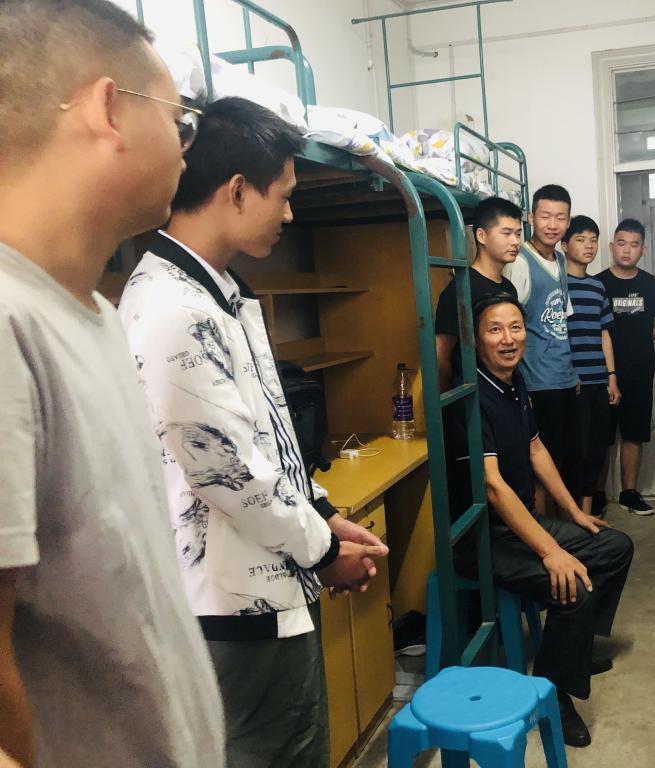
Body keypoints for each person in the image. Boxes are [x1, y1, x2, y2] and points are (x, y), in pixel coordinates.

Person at [119, 97, 388, 767]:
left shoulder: (220, 291)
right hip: (235, 612)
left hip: (267, 584)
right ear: (237, 190)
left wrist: (323, 512)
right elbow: (230, 475)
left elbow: (264, 435)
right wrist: (326, 553)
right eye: (285, 196)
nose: (290, 214)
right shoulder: (173, 310)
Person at [0, 1, 224, 766]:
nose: (187, 148)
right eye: (179, 119)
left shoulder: (91, 313)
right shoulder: (8, 323)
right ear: (108, 110)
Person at [444, 293, 634, 749]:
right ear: (476, 339)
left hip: (519, 525)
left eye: (515, 327)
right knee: (574, 585)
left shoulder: (514, 383)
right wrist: (552, 552)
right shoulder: (470, 397)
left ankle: (575, 649)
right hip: (481, 540)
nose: (508, 339)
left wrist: (574, 512)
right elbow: (493, 487)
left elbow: (535, 449)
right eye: (495, 329)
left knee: (614, 546)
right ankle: (554, 697)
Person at [503, 185, 578, 515]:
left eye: (560, 217)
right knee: (538, 468)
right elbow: (510, 328)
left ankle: (558, 530)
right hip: (536, 382)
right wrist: (518, 385)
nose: (552, 224)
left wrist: (572, 373)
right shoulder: (520, 262)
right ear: (531, 217)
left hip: (562, 378)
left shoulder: (560, 259)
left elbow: (561, 320)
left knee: (559, 461)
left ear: (568, 221)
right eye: (545, 216)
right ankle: (544, 533)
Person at [597, 219, 655, 517]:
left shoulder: (652, 285)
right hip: (601, 373)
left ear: (643, 250)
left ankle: (629, 493)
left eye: (634, 244)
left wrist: (633, 345)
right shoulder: (597, 284)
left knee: (634, 432)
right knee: (601, 435)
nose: (627, 250)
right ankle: (595, 494)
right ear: (612, 246)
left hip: (639, 370)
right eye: (621, 243)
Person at [562, 216, 621, 515]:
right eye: (580, 239)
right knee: (575, 450)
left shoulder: (598, 287)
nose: (589, 246)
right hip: (570, 383)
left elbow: (604, 334)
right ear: (564, 245)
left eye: (593, 240)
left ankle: (586, 514)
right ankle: (572, 515)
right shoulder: (557, 284)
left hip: (598, 380)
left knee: (596, 449)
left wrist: (612, 377)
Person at [434, 196, 521, 391]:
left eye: (518, 234)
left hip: (504, 389)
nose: (515, 241)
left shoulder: (508, 288)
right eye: (506, 233)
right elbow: (441, 354)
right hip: (475, 393)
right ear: (481, 236)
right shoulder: (461, 289)